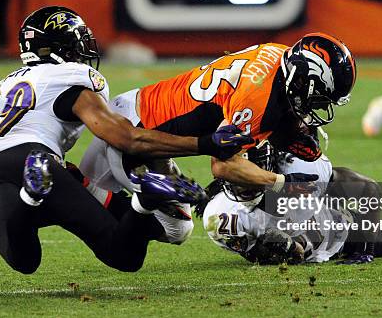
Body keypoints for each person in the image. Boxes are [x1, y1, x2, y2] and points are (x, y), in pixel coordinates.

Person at [0, 6, 251, 289]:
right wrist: (205, 143)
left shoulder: (11, 81)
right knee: (123, 254)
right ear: (60, 47)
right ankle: (143, 200)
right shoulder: (73, 78)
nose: (85, 49)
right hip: (39, 158)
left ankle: (25, 199)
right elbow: (126, 138)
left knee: (25, 258)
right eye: (78, 41)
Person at [80, 32, 357, 203]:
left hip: (147, 118)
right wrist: (283, 184)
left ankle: (76, 184)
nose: (318, 106)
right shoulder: (257, 100)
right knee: (164, 226)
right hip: (137, 130)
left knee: (87, 194)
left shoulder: (278, 53)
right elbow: (223, 166)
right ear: (301, 79)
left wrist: (283, 129)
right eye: (319, 96)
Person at [201, 142, 382, 264]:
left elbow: (368, 188)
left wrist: (363, 247)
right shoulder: (219, 214)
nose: (243, 185)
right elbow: (250, 250)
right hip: (298, 223)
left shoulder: (302, 179)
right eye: (238, 178)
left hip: (334, 227)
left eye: (248, 177)